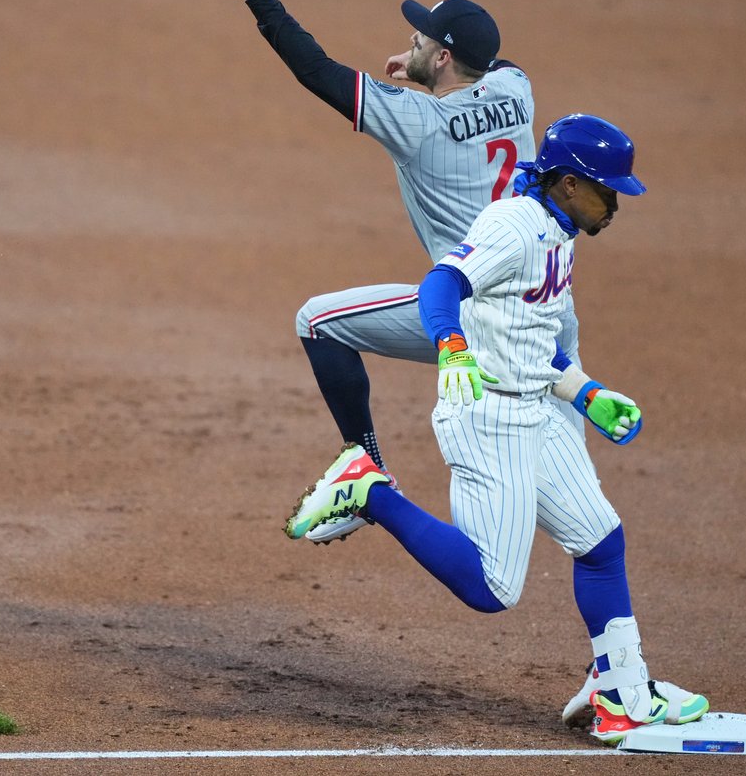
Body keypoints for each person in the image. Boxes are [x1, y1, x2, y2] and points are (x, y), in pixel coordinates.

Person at [282, 114, 709, 744]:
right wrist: (451, 346)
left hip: (536, 406)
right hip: (491, 416)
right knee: (491, 587)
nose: (615, 203)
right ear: (567, 183)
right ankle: (366, 491)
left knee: (600, 540)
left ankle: (620, 687)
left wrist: (588, 395)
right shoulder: (512, 227)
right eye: (606, 190)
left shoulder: (562, 231)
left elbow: (537, 342)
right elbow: (440, 285)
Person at [216, 0, 586, 549]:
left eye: (423, 37)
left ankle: (365, 473)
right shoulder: (518, 92)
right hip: (546, 314)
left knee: (317, 322)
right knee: (579, 515)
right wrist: (425, 71)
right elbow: (495, 66)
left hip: (466, 317)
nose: (412, 37)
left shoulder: (415, 121)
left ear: (443, 58)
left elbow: (314, 69)